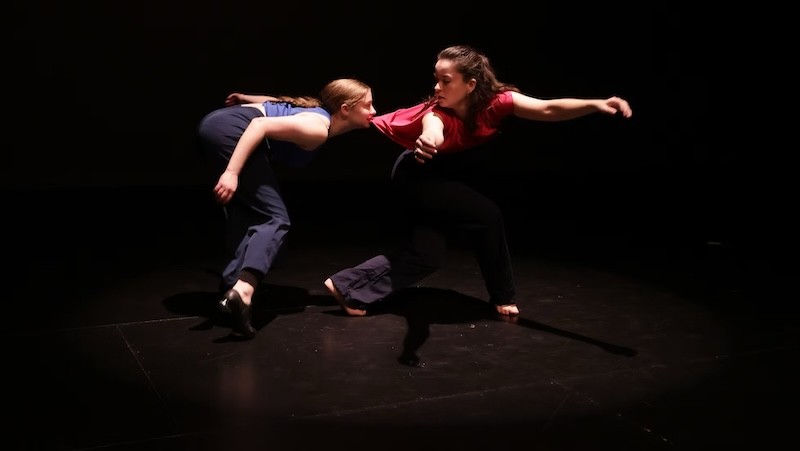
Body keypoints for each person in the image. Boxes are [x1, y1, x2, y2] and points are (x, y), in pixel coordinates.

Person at [323, 44, 633, 318]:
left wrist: (595, 103)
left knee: (426, 256)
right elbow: (433, 128)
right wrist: (428, 139)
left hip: (437, 177)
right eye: (436, 78)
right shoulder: (438, 113)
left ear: (471, 84)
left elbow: (548, 108)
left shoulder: (499, 102)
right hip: (417, 175)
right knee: (487, 215)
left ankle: (347, 286)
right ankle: (503, 295)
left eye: (446, 81)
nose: (437, 86)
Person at [197, 78, 376, 338]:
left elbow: (279, 103)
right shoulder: (317, 127)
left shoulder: (315, 110)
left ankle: (231, 290)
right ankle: (243, 291)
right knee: (275, 218)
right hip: (229, 131)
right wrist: (232, 173)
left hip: (217, 125)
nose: (374, 111)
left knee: (247, 214)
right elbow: (260, 124)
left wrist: (246, 97)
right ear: (346, 109)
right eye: (368, 105)